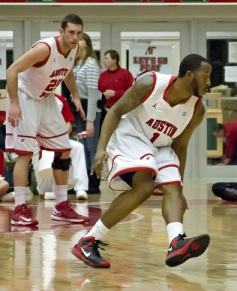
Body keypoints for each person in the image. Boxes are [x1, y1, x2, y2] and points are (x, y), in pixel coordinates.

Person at [71, 54, 212, 268]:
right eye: (206, 75)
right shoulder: (151, 83)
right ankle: (88, 240)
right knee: (144, 186)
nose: (209, 82)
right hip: (132, 136)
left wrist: (179, 185)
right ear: (189, 75)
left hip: (161, 146)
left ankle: (176, 241)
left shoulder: (197, 109)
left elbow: (180, 146)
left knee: (173, 189)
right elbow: (116, 111)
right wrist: (101, 149)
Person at [5, 14, 89, 226]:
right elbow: (12, 70)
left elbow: (67, 72)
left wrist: (75, 95)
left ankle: (61, 206)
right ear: (61, 32)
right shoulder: (44, 49)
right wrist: (14, 103)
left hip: (46, 98)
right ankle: (19, 208)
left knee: (64, 148)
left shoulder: (76, 48)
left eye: (79, 33)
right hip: (25, 98)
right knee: (24, 154)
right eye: (71, 32)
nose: (75, 37)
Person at [31, 94, 89, 200]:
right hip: (39, 140)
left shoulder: (60, 100)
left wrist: (58, 138)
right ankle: (48, 189)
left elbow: (68, 125)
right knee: (45, 190)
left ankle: (81, 188)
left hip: (58, 139)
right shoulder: (33, 98)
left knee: (78, 147)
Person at [73, 33, 102, 194]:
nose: (77, 40)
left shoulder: (91, 65)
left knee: (91, 148)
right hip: (79, 111)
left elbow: (92, 94)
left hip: (91, 110)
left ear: (87, 43)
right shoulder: (77, 63)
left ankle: (94, 182)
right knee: (81, 148)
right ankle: (82, 184)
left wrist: (90, 120)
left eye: (81, 39)